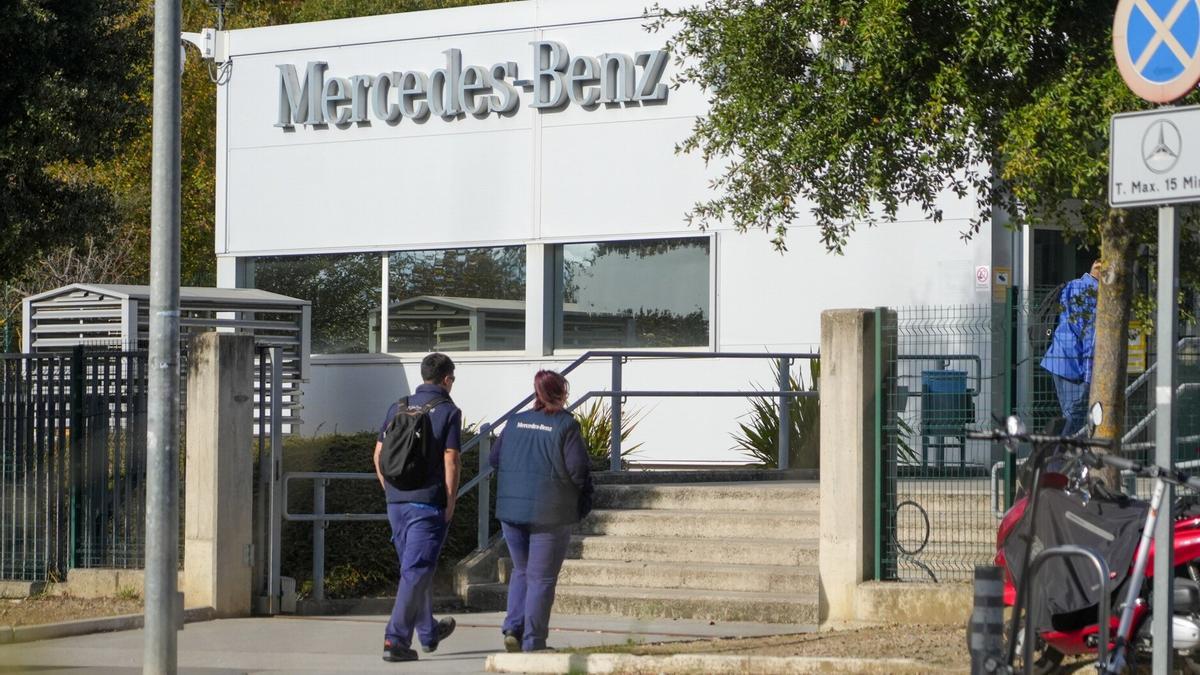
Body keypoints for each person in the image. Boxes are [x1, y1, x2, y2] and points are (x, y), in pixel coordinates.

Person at [489, 370, 593, 653]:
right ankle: (534, 643)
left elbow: (494, 458)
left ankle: (513, 627)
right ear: (562, 393)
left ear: (536, 393)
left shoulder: (515, 421)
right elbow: (578, 470)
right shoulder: (566, 425)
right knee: (542, 578)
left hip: (510, 512)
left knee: (521, 571)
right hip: (551, 512)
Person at [373, 352, 461, 662]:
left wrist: (391, 491)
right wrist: (450, 500)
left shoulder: (397, 406)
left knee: (414, 571)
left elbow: (378, 455)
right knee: (416, 571)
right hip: (427, 503)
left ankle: (427, 631)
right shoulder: (449, 411)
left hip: (396, 503)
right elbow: (450, 458)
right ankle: (395, 640)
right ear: (446, 379)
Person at [1040, 260, 1102, 436]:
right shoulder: (1096, 296)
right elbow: (1091, 339)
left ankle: (1063, 457)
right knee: (1075, 418)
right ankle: (1057, 458)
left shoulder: (1072, 286)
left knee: (1070, 415)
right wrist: (1089, 379)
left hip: (1058, 359)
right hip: (1075, 366)